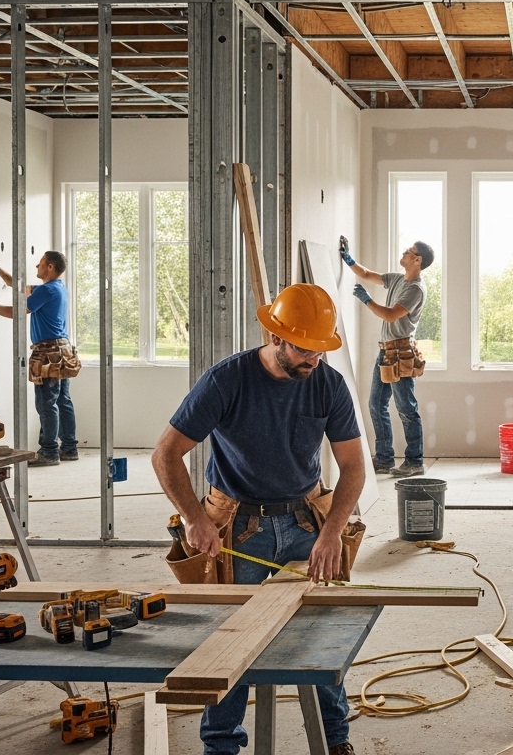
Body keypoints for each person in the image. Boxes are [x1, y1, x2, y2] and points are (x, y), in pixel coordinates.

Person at [150, 283, 364, 755]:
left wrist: (330, 535)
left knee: (319, 635)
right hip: (236, 524)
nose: (314, 360)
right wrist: (193, 518)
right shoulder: (226, 381)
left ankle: (336, 739)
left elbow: (352, 467)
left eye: (321, 350)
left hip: (304, 524)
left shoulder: (326, 383)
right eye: (306, 350)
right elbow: (166, 454)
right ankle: (222, 747)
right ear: (276, 338)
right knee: (227, 641)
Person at [341, 237, 433, 478]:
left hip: (401, 353)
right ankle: (383, 458)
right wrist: (348, 259)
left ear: (417, 260)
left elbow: (391, 315)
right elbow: (367, 274)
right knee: (376, 403)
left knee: (406, 408)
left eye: (409, 251)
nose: (403, 253)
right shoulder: (397, 279)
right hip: (386, 351)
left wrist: (367, 300)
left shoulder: (415, 289)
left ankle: (415, 461)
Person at [0, 249, 78, 467]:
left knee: (47, 402)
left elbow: (17, 311)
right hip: (62, 350)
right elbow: (21, 288)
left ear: (50, 267)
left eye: (40, 263)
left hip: (49, 354)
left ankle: (49, 452)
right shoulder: (57, 288)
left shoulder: (48, 290)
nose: (37, 267)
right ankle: (69, 448)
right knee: (62, 400)